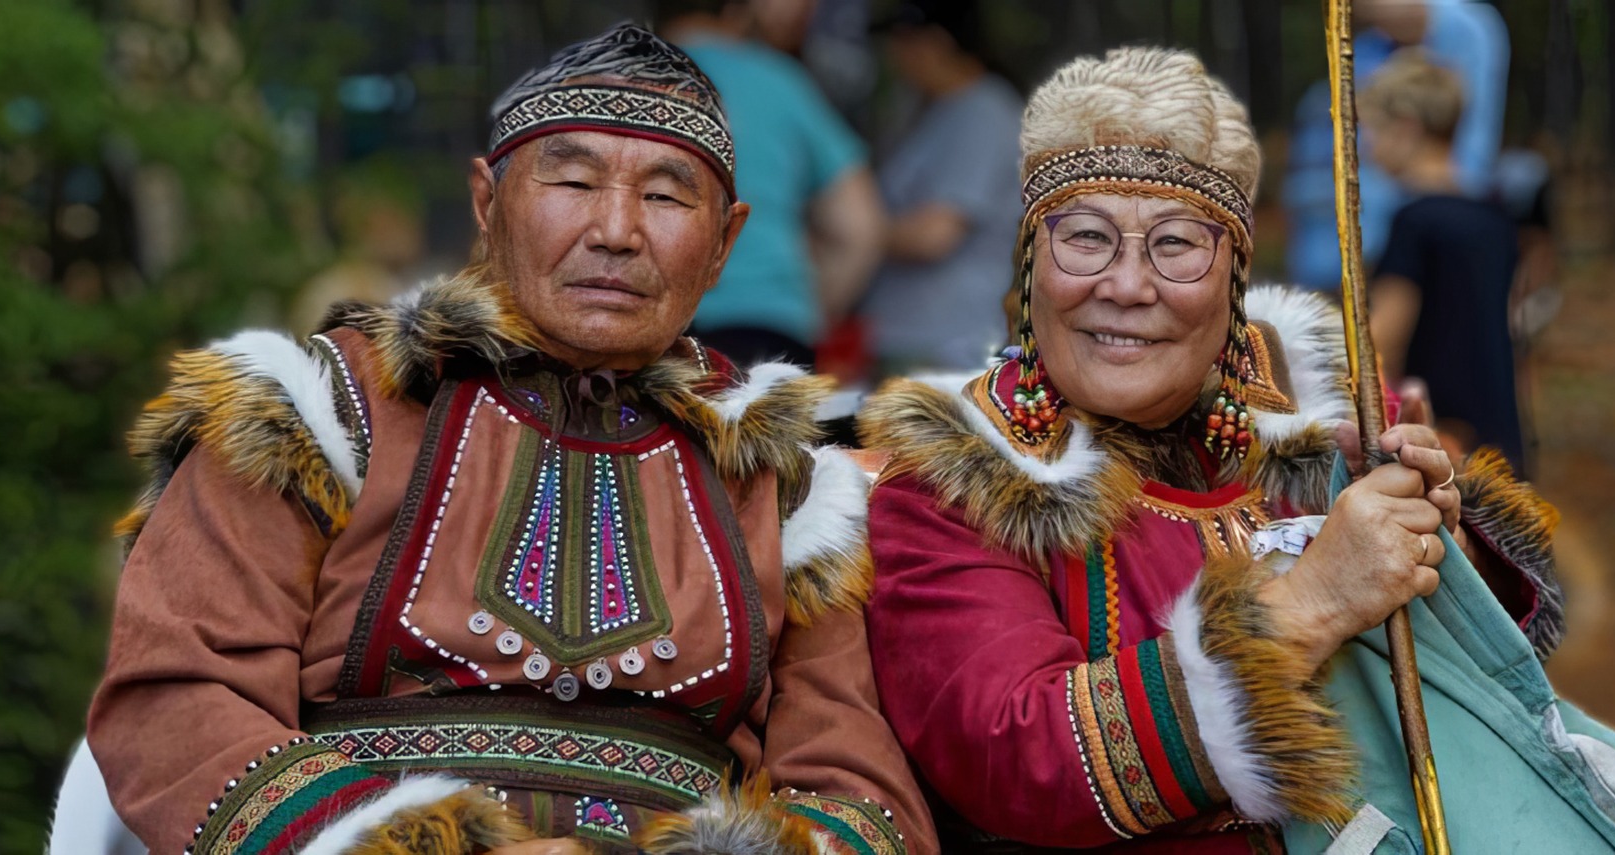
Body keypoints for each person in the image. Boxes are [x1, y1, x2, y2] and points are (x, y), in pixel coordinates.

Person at [74, 23, 934, 855]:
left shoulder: (782, 483)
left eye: (668, 196)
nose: (617, 231)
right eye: (573, 183)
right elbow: (178, 695)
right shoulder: (323, 409)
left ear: (723, 244)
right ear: (488, 203)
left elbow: (858, 795)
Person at [855, 46, 1562, 851]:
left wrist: (1446, 545)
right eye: (1085, 237)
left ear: (1234, 277)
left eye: (1177, 243)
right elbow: (1015, 755)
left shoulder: (1329, 418)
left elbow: (1501, 670)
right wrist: (1306, 606)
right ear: (1031, 262)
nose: (1125, 284)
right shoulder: (959, 476)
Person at [658, 0, 886, 368]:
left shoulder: (614, 80)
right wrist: (809, 313)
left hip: (639, 325)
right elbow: (859, 228)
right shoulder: (778, 81)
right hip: (764, 326)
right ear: (738, 9)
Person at [1363, 51, 1527, 470]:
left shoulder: (1414, 221)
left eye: (1374, 130)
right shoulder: (1495, 216)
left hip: (1440, 439)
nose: (1368, 145)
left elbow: (1382, 343)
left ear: (1406, 128)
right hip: (1497, 432)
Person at [1282, 0, 1508, 291]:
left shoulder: (1470, 31)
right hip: (1368, 238)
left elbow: (1472, 151)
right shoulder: (1366, 50)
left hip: (1420, 224)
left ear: (1406, 129)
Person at [858, 0, 1024, 374]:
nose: (894, 55)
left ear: (937, 42)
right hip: (906, 333)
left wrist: (849, 232)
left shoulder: (983, 112)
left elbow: (935, 234)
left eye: (902, 41)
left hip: (948, 342)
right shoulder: (926, 107)